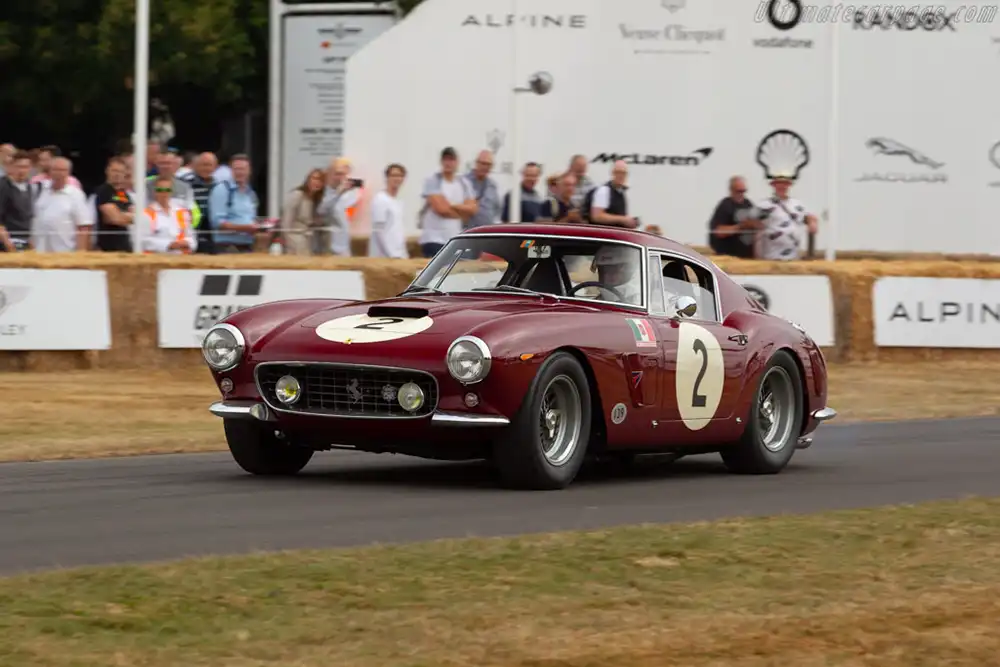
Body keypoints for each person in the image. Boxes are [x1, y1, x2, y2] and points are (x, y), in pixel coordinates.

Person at [417, 147, 477, 257]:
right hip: (434, 240)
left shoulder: (464, 183)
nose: (448, 163)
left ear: (457, 162)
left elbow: (473, 209)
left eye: (451, 159)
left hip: (455, 240)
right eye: (445, 159)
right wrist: (462, 212)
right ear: (441, 161)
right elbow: (441, 209)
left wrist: (452, 204)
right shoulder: (433, 180)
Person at [747, 173, 818, 260]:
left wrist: (812, 221)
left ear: (789, 185)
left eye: (785, 183)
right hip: (771, 257)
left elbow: (807, 217)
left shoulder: (797, 204)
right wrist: (757, 225)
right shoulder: (764, 205)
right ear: (773, 185)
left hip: (793, 257)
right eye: (778, 183)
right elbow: (748, 221)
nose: (782, 186)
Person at [209, 153, 261, 253]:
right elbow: (218, 223)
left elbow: (251, 218)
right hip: (226, 246)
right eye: (236, 169)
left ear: (249, 171)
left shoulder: (250, 193)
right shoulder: (221, 190)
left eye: (243, 169)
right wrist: (246, 228)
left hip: (247, 245)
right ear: (231, 171)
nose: (239, 172)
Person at [135, 175, 197, 254]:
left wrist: (187, 243)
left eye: (167, 189)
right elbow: (143, 240)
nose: (164, 193)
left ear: (171, 191)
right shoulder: (147, 214)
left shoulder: (181, 212)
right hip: (157, 259)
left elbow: (192, 238)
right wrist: (169, 245)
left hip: (181, 259)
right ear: (155, 192)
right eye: (160, 190)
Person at [316, 157, 364, 256]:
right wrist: (339, 193)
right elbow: (321, 211)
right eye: (337, 174)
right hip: (326, 246)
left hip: (345, 246)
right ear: (329, 174)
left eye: (344, 174)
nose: (341, 177)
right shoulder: (322, 192)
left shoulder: (351, 194)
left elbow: (350, 214)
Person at [707, 176, 759, 258]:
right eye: (739, 191)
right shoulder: (725, 205)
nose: (742, 194)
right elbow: (718, 231)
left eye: (744, 191)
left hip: (747, 257)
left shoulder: (748, 204)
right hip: (729, 257)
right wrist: (741, 226)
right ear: (731, 190)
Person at [93, 157, 135, 252]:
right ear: (107, 171)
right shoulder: (103, 191)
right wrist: (126, 216)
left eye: (120, 172)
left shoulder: (123, 194)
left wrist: (122, 215)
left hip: (125, 246)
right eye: (114, 171)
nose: (117, 174)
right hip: (108, 248)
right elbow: (114, 218)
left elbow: (136, 215)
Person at [280, 168, 325, 256]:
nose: (317, 182)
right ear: (308, 179)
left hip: (307, 242)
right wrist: (288, 243)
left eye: (320, 181)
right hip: (294, 241)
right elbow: (285, 223)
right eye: (314, 178)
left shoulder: (315, 200)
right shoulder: (297, 195)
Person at [369, 163, 408, 258]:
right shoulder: (380, 199)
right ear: (387, 178)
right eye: (393, 175)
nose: (397, 179)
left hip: (400, 254)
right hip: (384, 257)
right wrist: (390, 254)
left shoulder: (398, 201)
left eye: (400, 176)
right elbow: (378, 230)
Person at [587, 160, 638, 228]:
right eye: (618, 172)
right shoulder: (603, 191)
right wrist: (623, 219)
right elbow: (597, 216)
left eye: (623, 173)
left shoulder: (621, 193)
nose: (621, 176)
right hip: (603, 235)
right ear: (612, 173)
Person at [463, 150, 501, 229]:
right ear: (476, 163)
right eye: (483, 163)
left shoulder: (493, 185)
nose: (485, 167)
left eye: (488, 164)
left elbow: (496, 209)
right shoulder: (464, 182)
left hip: (487, 234)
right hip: (467, 233)